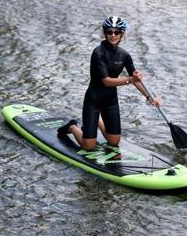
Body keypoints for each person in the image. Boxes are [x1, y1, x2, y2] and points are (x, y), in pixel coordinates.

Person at [57, 16, 160, 150]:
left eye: (116, 32)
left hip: (110, 100)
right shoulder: (98, 53)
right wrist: (130, 80)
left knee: (114, 141)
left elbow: (136, 79)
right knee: (88, 146)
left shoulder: (125, 55)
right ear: (105, 33)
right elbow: (106, 81)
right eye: (109, 32)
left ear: (122, 34)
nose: (113, 35)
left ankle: (96, 121)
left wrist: (150, 97)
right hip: (93, 100)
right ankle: (72, 127)